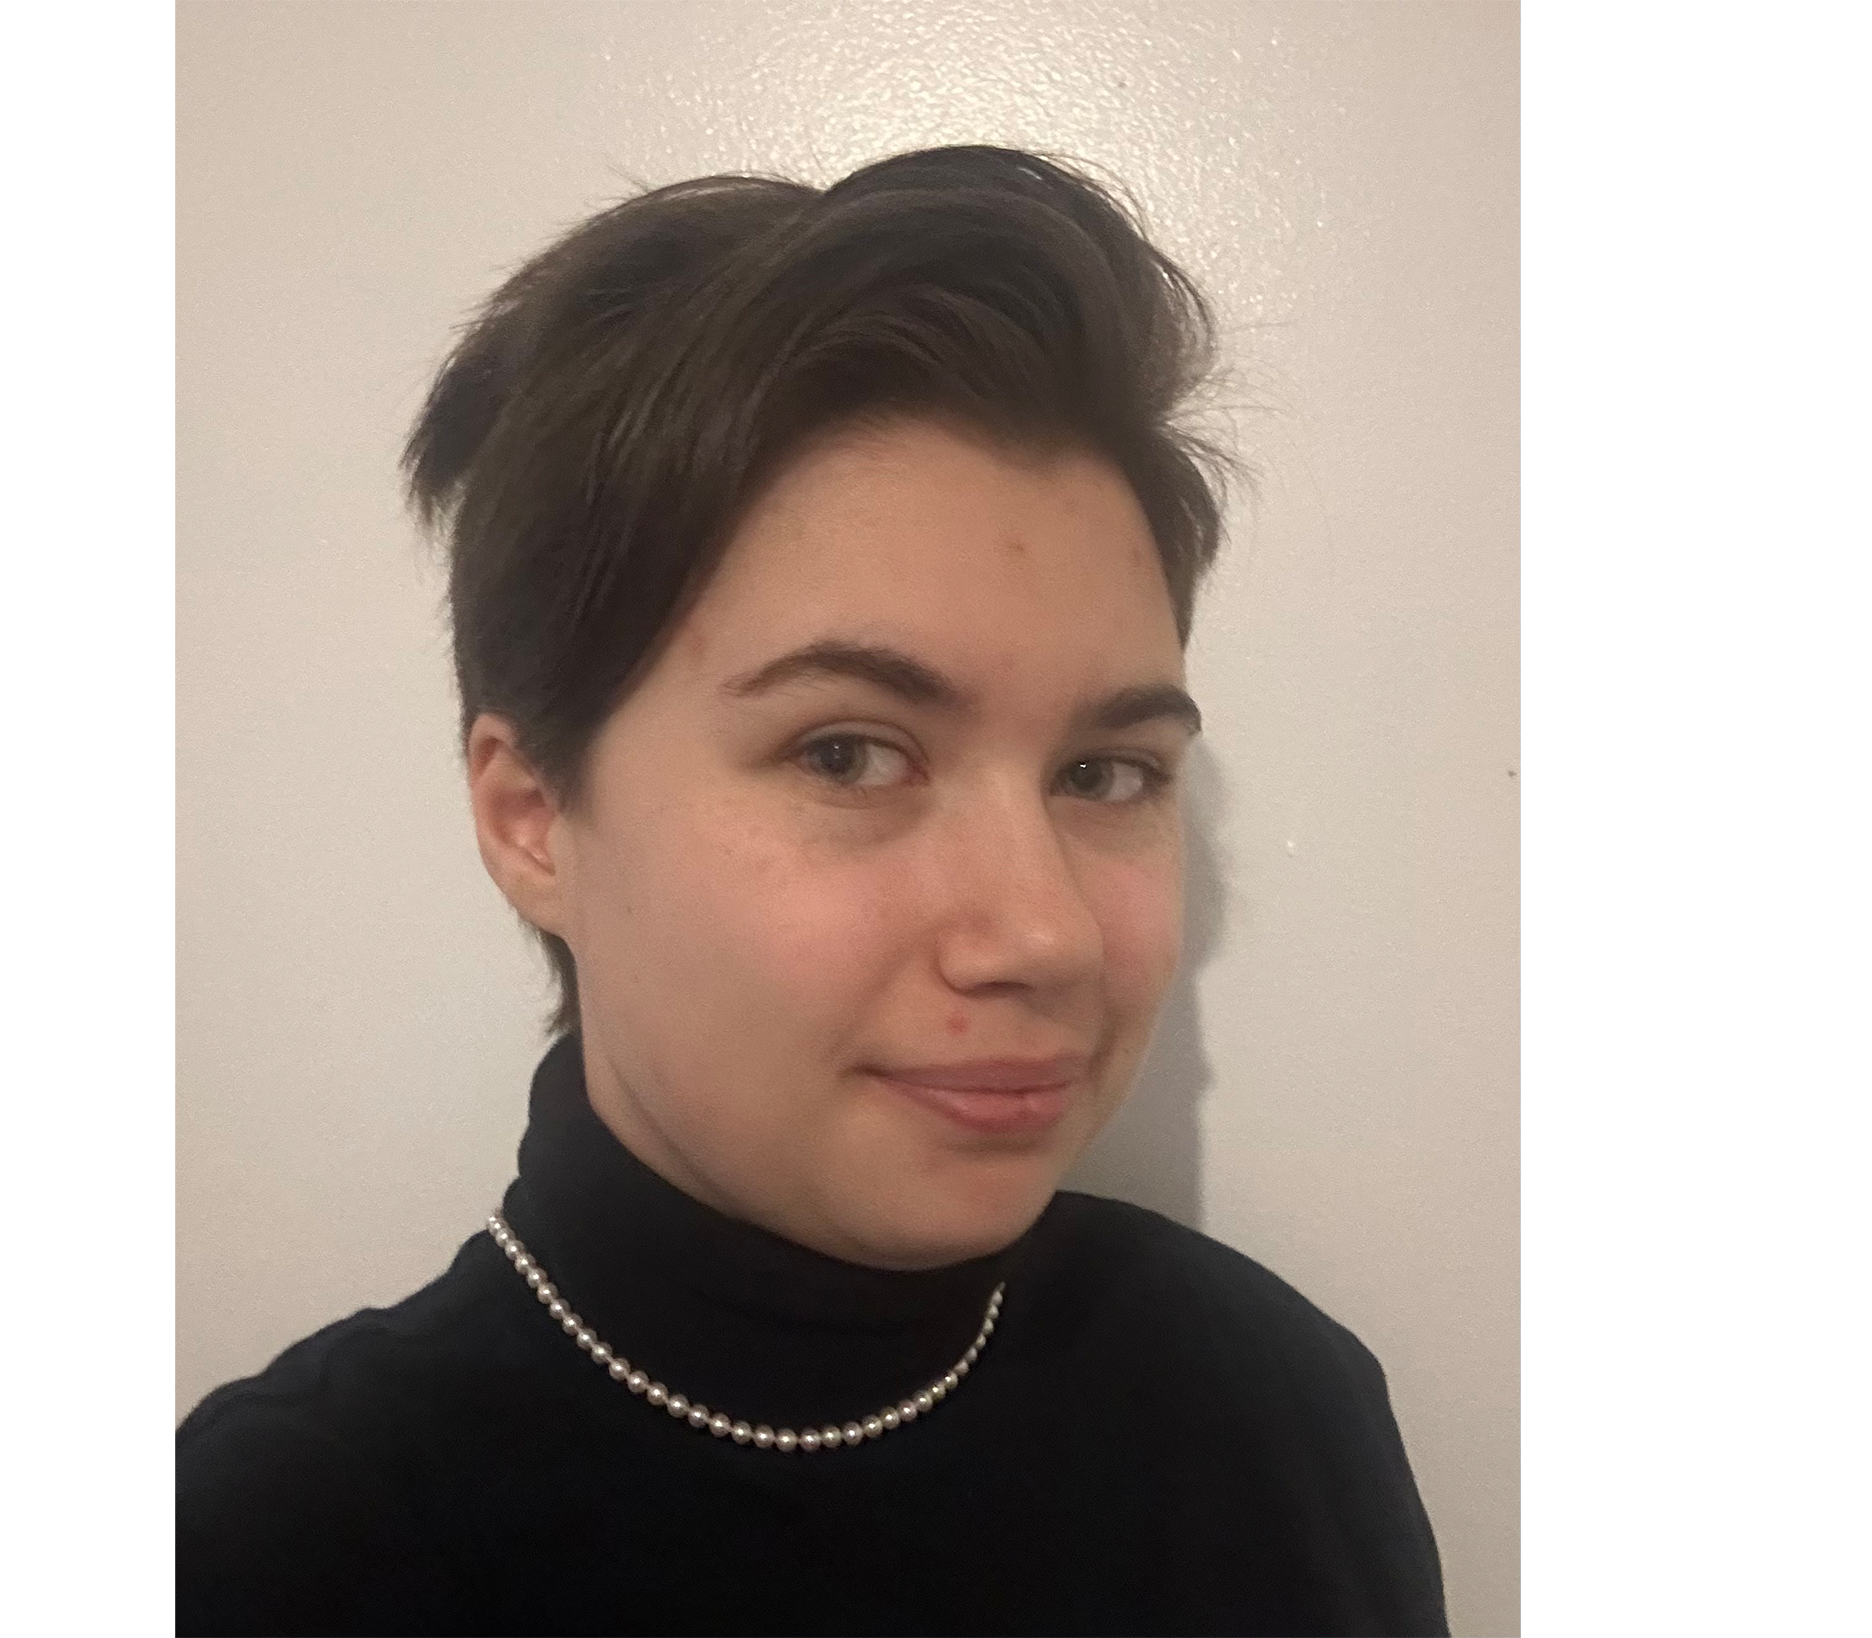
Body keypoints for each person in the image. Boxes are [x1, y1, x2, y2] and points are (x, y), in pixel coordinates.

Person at [176, 144, 1449, 1637]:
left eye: (1106, 772)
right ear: (532, 816)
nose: (1041, 933)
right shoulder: (268, 1553)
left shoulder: (1276, 1407)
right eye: (850, 752)